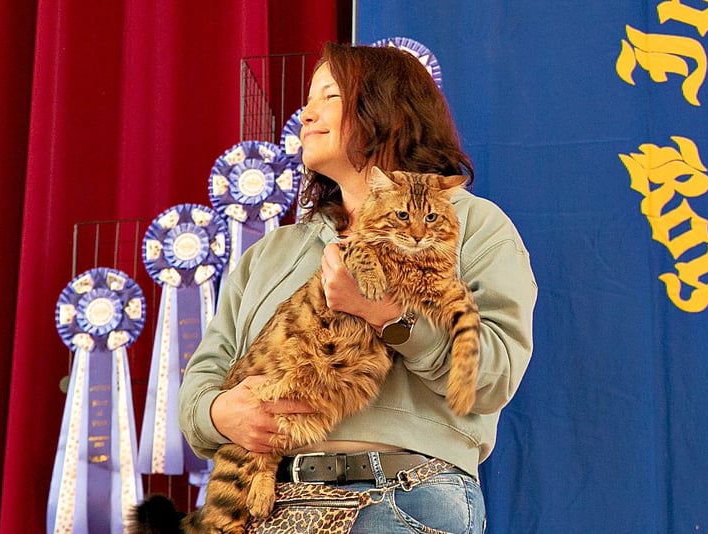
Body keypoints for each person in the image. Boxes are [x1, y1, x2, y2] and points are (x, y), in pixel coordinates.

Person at [178, 41, 537, 533]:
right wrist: (222, 413)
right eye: (308, 100)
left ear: (386, 111)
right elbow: (201, 381)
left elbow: (492, 377)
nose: (306, 114)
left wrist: (387, 314)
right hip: (265, 504)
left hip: (402, 497)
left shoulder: (475, 225)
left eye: (330, 96)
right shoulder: (269, 252)